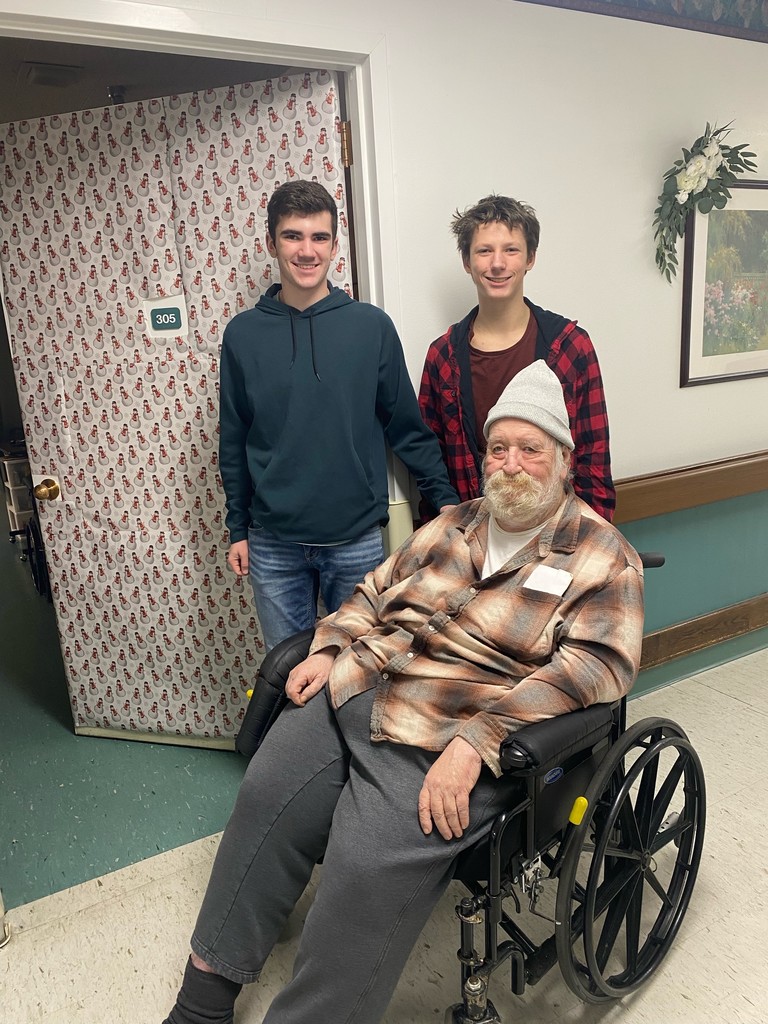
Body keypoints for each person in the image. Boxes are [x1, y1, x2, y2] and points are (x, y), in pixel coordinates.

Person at [162, 361, 643, 1024]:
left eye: (531, 449)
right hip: (358, 686)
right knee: (265, 794)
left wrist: (481, 741)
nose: (512, 463)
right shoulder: (454, 524)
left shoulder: (601, 555)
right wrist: (330, 645)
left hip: (447, 735)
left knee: (359, 875)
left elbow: (595, 669)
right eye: (498, 448)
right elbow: (372, 592)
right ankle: (203, 1000)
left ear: (563, 460)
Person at [219, 180, 458, 649]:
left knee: (357, 672)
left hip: (355, 542)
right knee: (285, 677)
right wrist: (237, 528)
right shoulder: (243, 335)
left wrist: (445, 501)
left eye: (319, 237)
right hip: (272, 543)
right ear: (272, 242)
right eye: (293, 236)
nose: (307, 251)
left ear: (334, 245)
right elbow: (235, 438)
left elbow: (406, 427)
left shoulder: (371, 328)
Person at [419, 194, 615, 521]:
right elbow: (430, 454)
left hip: (554, 533)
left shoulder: (570, 347)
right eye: (484, 250)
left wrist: (592, 541)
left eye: (511, 250)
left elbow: (593, 459)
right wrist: (448, 517)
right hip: (472, 533)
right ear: (467, 262)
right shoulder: (443, 355)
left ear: (530, 258)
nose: (498, 263)